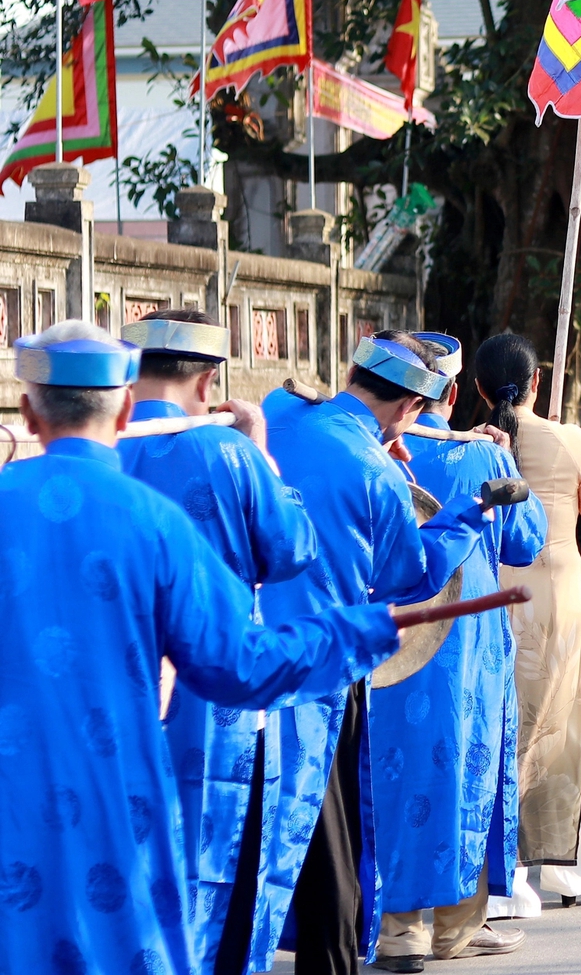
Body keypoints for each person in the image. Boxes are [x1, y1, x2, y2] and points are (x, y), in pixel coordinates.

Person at [1, 323, 400, 975]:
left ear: (27, 411)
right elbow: (240, 663)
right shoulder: (154, 520)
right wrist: (355, 632)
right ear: (122, 406)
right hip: (118, 793)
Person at [260, 331, 494, 975]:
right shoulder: (377, 473)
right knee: (330, 834)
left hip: (237, 652)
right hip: (325, 664)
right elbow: (410, 577)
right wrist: (465, 516)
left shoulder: (279, 414)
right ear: (409, 410)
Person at [118, 310, 318, 975]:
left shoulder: (105, 449)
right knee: (227, 860)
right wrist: (259, 447)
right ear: (208, 380)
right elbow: (292, 549)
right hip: (218, 691)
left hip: (127, 688)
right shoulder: (229, 453)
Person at [373, 335, 548, 973]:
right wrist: (507, 461)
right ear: (450, 393)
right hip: (466, 646)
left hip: (384, 642)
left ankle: (397, 933)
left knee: (390, 779)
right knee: (464, 778)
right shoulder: (478, 456)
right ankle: (453, 928)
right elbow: (526, 542)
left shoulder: (370, 448)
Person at [480, 334, 581, 908]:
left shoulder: (473, 446)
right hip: (557, 594)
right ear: (536, 382)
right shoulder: (568, 440)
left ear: (479, 389)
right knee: (569, 727)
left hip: (495, 594)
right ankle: (576, 870)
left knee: (501, 725)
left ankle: (501, 870)